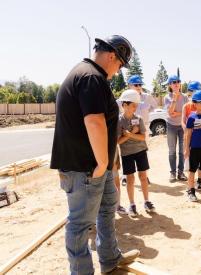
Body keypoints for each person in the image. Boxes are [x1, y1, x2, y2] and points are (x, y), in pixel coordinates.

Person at [50, 35, 139, 274]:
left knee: (108, 206)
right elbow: (95, 122)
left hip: (96, 167)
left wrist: (106, 165)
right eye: (120, 65)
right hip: (85, 169)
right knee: (79, 226)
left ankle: (110, 258)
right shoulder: (91, 77)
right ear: (112, 56)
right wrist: (102, 162)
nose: (119, 70)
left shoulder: (90, 75)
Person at [117, 89, 155, 217]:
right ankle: (132, 204)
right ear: (124, 105)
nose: (135, 108)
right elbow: (119, 141)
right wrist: (131, 134)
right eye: (133, 105)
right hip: (126, 153)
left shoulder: (138, 119)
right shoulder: (119, 121)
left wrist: (129, 134)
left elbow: (143, 137)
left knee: (143, 177)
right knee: (130, 179)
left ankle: (147, 201)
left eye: (136, 105)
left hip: (140, 151)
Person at [163, 75, 189, 182]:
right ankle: (172, 173)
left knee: (182, 151)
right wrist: (174, 99)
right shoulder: (167, 97)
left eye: (178, 81)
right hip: (171, 126)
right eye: (174, 82)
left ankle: (181, 172)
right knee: (172, 151)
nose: (176, 83)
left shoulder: (185, 97)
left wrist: (177, 113)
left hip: (182, 126)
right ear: (170, 85)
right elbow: (170, 113)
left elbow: (186, 113)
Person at [182, 81, 201, 189]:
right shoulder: (186, 106)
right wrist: (187, 129)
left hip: (200, 137)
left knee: (200, 159)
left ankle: (200, 180)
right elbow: (183, 121)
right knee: (189, 160)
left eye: (195, 91)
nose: (192, 93)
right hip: (189, 136)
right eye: (191, 91)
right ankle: (191, 183)